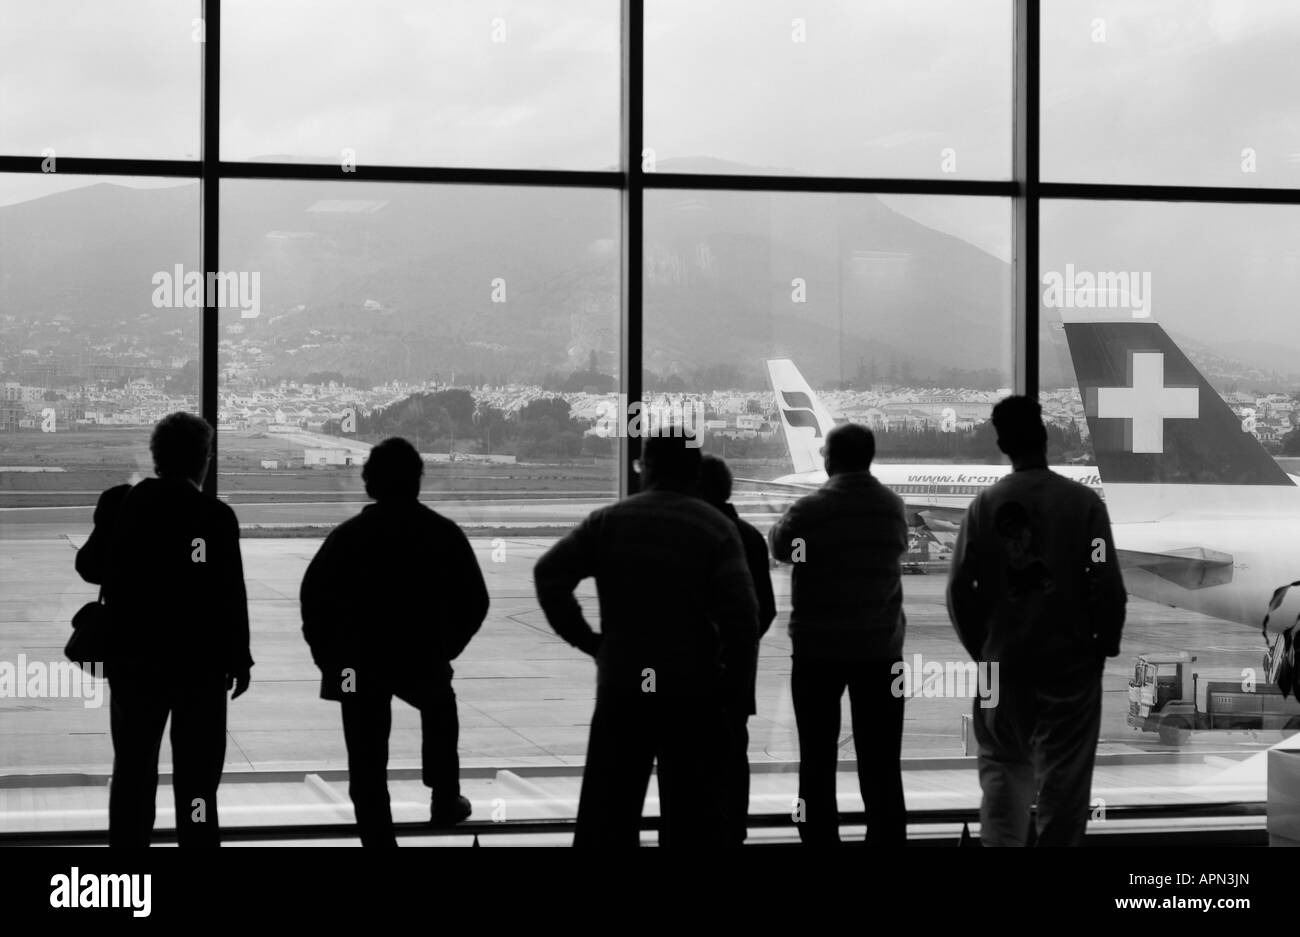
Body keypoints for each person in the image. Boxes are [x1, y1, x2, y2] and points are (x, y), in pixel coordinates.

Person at [534, 434, 758, 847]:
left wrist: (590, 642)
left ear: (644, 468)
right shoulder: (716, 529)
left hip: (623, 685)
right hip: (692, 691)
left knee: (608, 816)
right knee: (693, 821)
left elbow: (549, 575)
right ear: (694, 472)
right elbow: (744, 619)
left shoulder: (609, 521)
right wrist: (731, 691)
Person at [946, 395, 1126, 846]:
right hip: (1069, 669)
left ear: (1003, 444)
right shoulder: (1084, 506)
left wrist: (984, 650)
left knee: (1003, 783)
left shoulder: (983, 507)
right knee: (1064, 792)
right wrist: (1101, 647)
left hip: (1002, 666)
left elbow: (957, 591)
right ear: (1045, 437)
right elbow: (1107, 583)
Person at [75, 412, 252, 847]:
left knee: (134, 771)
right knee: (197, 784)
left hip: (135, 662)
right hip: (200, 667)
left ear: (157, 457)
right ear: (202, 461)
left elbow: (89, 567)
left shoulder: (122, 503)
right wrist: (239, 659)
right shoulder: (215, 517)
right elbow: (231, 595)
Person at [301, 437, 488, 847]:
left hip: (358, 666)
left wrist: (332, 663)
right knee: (440, 707)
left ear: (369, 483)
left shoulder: (348, 537)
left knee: (366, 764)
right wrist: (444, 649)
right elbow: (475, 601)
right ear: (417, 481)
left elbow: (314, 602)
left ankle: (378, 841)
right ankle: (444, 796)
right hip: (420, 658)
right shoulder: (442, 533)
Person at [768, 422, 908, 846]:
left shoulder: (810, 509)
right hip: (880, 650)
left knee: (816, 759)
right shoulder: (892, 506)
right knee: (881, 762)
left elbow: (779, 546)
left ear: (829, 459)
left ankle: (819, 838)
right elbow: (898, 546)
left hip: (818, 650)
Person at [698, 454, 776, 844]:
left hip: (687, 679)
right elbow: (766, 610)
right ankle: (733, 835)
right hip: (735, 679)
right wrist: (736, 653)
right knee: (732, 760)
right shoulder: (748, 536)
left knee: (685, 769)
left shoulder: (692, 533)